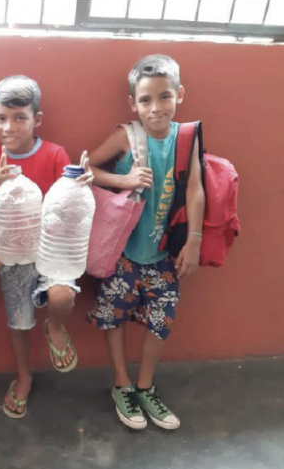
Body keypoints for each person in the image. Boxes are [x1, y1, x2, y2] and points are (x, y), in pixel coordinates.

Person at [87, 54, 205, 430]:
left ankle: (145, 386)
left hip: (164, 255)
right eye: (145, 100)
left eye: (165, 96)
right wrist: (123, 180)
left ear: (179, 94)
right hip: (121, 255)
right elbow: (87, 167)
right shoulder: (126, 136)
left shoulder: (187, 137)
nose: (156, 108)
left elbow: (196, 188)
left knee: (160, 321)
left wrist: (195, 240)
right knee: (114, 315)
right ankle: (121, 384)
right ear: (133, 103)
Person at [0, 75, 91, 419]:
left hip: (52, 249)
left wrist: (82, 183)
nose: (8, 127)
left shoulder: (55, 154)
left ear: (36, 119)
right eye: (1, 118)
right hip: (14, 255)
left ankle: (55, 326)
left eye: (19, 118)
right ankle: (23, 376)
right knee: (19, 322)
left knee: (62, 295)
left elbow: (67, 203)